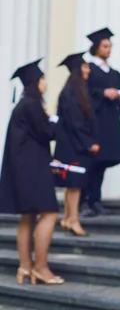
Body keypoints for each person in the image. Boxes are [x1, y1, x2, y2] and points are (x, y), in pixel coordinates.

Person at [0, 59, 64, 285]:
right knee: (49, 212)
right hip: (33, 170)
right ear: (35, 82)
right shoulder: (31, 105)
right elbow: (48, 133)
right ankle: (41, 267)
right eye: (43, 78)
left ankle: (25, 267)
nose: (45, 82)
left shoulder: (22, 104)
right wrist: (54, 118)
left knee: (28, 216)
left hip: (22, 169)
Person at [80, 27, 120, 216]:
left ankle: (95, 199)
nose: (108, 50)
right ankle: (84, 201)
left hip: (110, 122)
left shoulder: (115, 73)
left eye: (110, 46)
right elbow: (84, 95)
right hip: (94, 123)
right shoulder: (89, 70)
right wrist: (103, 93)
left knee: (101, 163)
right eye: (105, 46)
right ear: (96, 47)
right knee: (91, 162)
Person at [54, 52, 100, 236]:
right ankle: (73, 220)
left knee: (73, 184)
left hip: (73, 144)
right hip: (73, 145)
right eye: (85, 66)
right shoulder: (70, 93)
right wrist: (89, 143)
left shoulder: (78, 91)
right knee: (74, 184)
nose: (88, 70)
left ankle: (67, 218)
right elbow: (75, 122)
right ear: (77, 70)